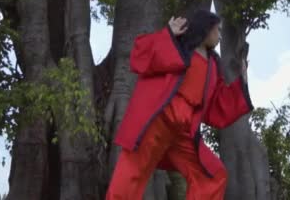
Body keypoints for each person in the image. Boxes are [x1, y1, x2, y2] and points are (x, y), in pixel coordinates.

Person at [106, 10, 254, 200]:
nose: (219, 35)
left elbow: (217, 105)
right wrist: (168, 34)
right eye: (217, 30)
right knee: (131, 172)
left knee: (212, 174)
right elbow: (141, 56)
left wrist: (242, 82)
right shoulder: (179, 45)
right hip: (158, 118)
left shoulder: (214, 65)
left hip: (185, 130)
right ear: (205, 28)